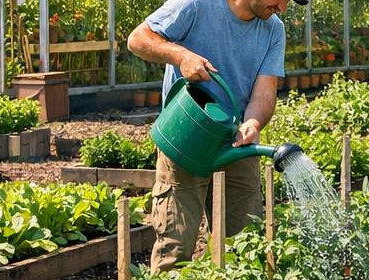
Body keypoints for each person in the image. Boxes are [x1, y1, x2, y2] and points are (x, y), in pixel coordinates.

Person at [127, 0, 305, 273]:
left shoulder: (273, 29)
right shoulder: (196, 4)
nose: (282, 7)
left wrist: (253, 123)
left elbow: (264, 93)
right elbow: (138, 39)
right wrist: (181, 56)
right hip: (187, 136)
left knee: (246, 244)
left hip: (237, 143)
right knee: (175, 247)